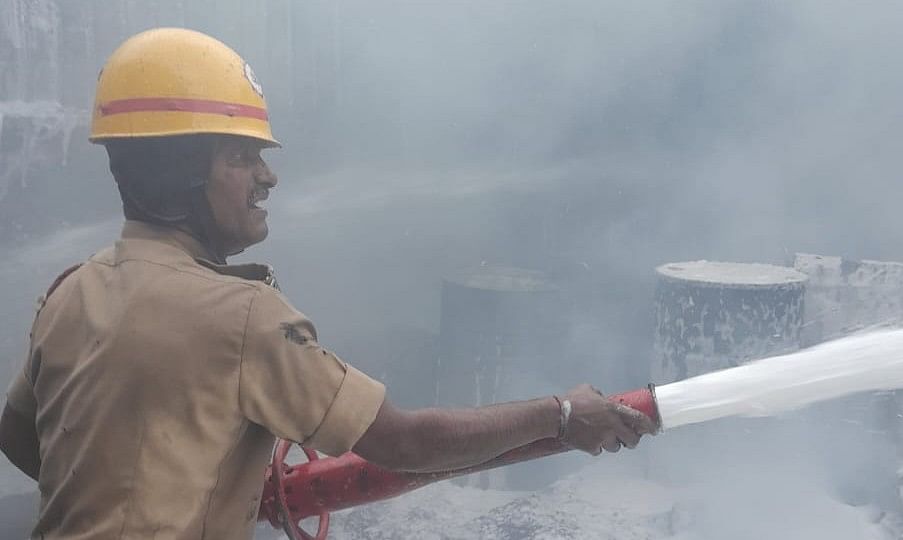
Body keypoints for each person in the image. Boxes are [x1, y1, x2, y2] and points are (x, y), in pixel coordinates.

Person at [0, 28, 656, 539]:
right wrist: (562, 418)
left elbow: (27, 443)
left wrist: (182, 477)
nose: (267, 177)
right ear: (179, 174)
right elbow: (405, 444)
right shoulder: (242, 316)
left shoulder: (69, 292)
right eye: (240, 156)